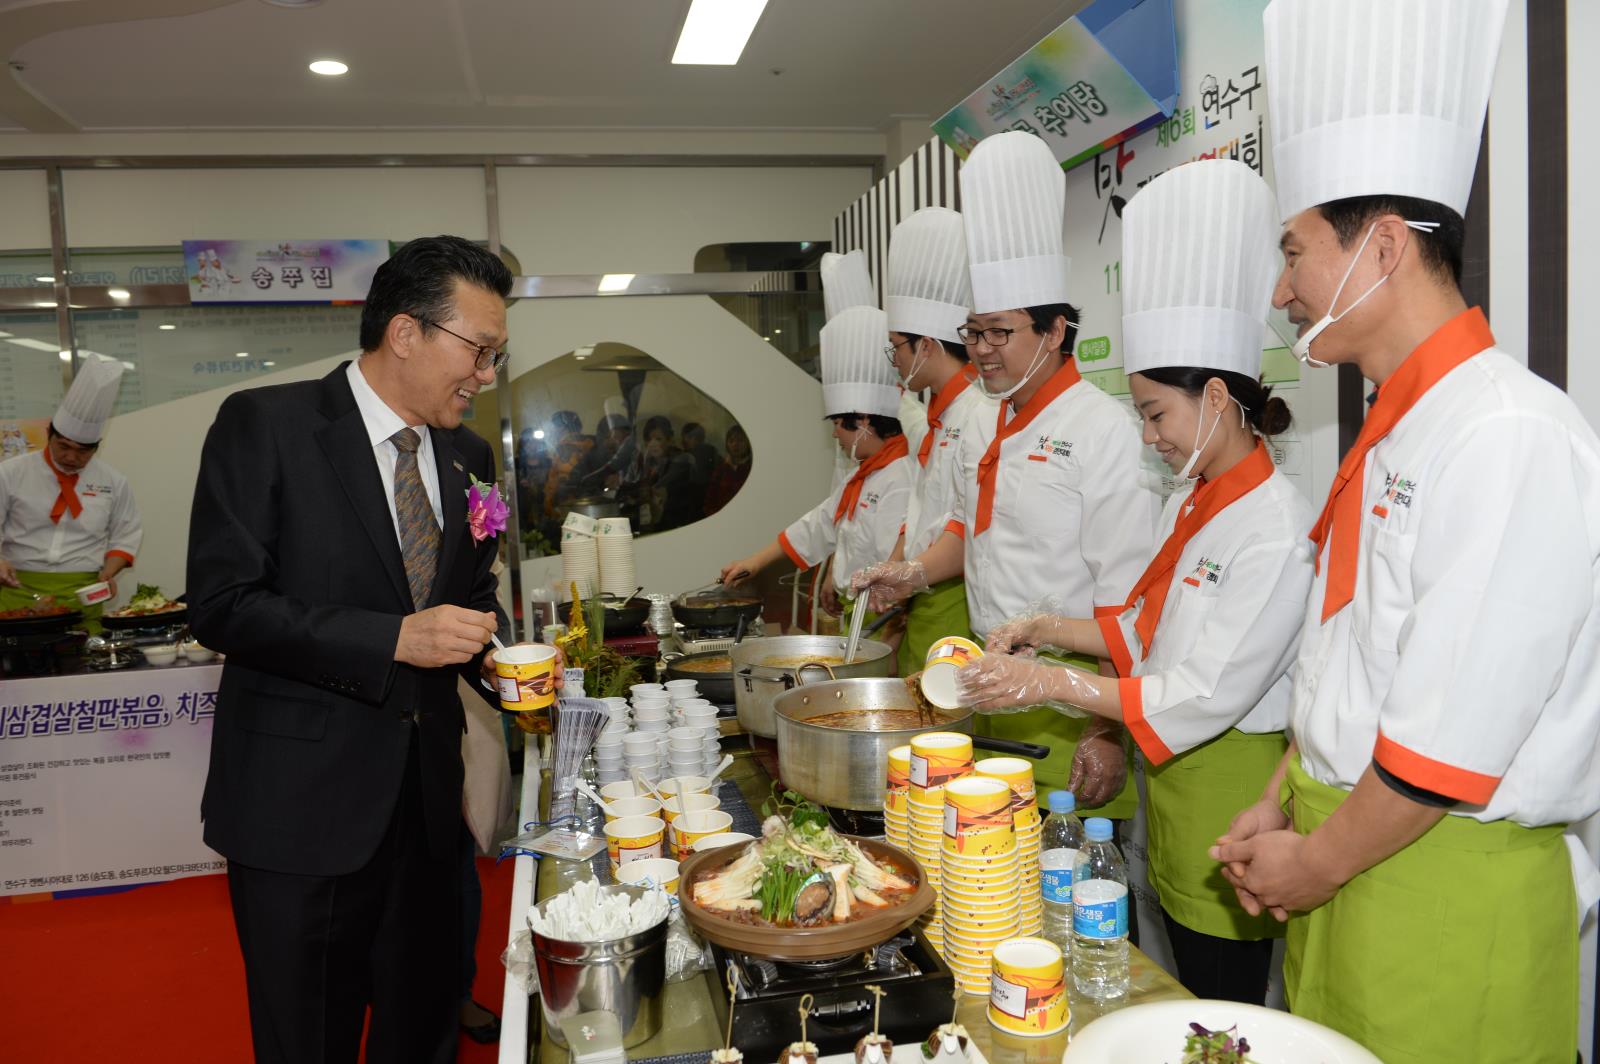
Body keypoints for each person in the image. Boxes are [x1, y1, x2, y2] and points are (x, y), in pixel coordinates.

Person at [1206, 3, 1600, 1061]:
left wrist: (1320, 857)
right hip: (1347, 855)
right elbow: (1352, 661)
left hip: (1441, 893)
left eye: (1293, 252)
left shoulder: (1507, 433)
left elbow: (1447, 742)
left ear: (1382, 246)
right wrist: (1277, 799)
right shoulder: (1389, 431)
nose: (1281, 291)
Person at [957, 160, 1312, 1004]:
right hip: (1176, 787)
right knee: (1170, 974)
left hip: (1232, 789)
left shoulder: (1276, 526)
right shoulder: (1195, 500)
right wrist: (1046, 628)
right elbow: (1141, 630)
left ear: (1219, 398)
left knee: (1224, 1003)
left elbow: (1199, 691)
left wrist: (1052, 683)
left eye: (1156, 413)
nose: (1146, 433)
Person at [187, 235, 510, 1064]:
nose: (485, 375)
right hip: (304, 814)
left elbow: (468, 603)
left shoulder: (469, 459)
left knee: (424, 1028)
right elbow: (224, 605)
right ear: (406, 333)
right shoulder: (268, 427)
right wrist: (393, 640)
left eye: (495, 356)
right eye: (479, 351)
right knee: (310, 1039)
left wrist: (499, 656)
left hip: (431, 816)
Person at [855, 131, 1161, 812]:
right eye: (973, 332)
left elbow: (1125, 599)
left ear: (1053, 331)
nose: (983, 352)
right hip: (984, 680)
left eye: (1001, 333)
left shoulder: (1102, 430)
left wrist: (1107, 729)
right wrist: (912, 573)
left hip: (1073, 688)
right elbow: (971, 531)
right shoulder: (988, 420)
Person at [721, 269, 913, 621]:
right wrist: (755, 562)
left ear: (866, 421)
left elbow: (894, 566)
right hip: (857, 611)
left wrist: (890, 628)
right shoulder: (864, 476)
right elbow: (818, 524)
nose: (835, 434)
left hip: (880, 613)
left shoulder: (900, 476)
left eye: (840, 424)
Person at [876, 207, 993, 674]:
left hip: (956, 608)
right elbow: (925, 512)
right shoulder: (939, 416)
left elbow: (971, 526)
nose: (894, 361)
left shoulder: (980, 413)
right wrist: (896, 566)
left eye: (896, 347)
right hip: (923, 603)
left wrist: (911, 572)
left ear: (925, 345)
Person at [0, 357, 141, 631]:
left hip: (83, 593)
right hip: (15, 587)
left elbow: (126, 534)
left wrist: (109, 573)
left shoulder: (113, 481)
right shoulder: (10, 473)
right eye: (63, 446)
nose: (71, 457)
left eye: (83, 451)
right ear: (48, 435)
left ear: (97, 447)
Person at [704, 424, 752, 516]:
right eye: (731, 441)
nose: (735, 444)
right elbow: (710, 498)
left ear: (748, 443)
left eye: (740, 440)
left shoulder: (752, 467)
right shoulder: (721, 468)